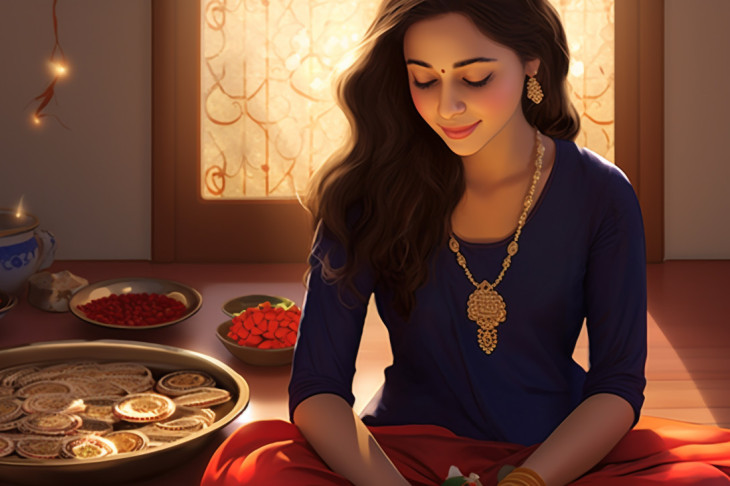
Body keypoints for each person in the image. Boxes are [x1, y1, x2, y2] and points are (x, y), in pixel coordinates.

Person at [201, 0, 730, 484]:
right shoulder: (367, 192)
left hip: (555, 455)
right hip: (400, 453)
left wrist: (529, 481)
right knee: (261, 469)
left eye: (475, 77)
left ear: (531, 63)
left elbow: (618, 383)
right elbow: (317, 387)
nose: (447, 106)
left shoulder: (602, 193)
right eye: (424, 80)